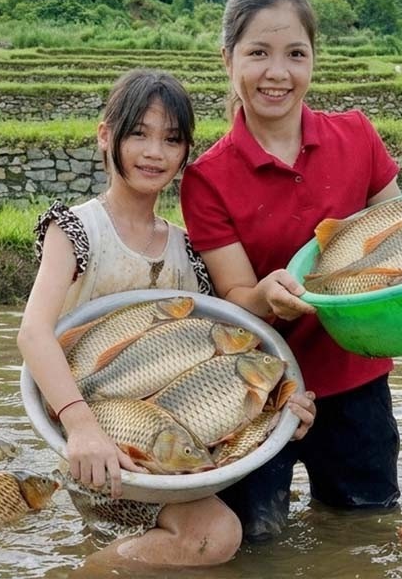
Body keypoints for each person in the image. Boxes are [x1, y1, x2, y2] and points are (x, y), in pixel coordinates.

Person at [179, 0, 402, 542]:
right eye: (258, 53)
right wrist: (266, 297)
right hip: (260, 395)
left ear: (313, 60)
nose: (278, 72)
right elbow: (236, 298)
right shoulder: (208, 178)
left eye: (296, 54)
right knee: (257, 544)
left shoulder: (356, 135)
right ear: (228, 60)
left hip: (356, 382)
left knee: (366, 536)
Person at [16, 69, 242, 567]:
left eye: (171, 139)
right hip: (95, 442)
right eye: (138, 133)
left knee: (216, 535)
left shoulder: (189, 249)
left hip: (168, 438)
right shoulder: (76, 228)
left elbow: (219, 349)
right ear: (105, 134)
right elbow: (33, 332)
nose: (154, 152)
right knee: (215, 536)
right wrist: (81, 427)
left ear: (186, 152)